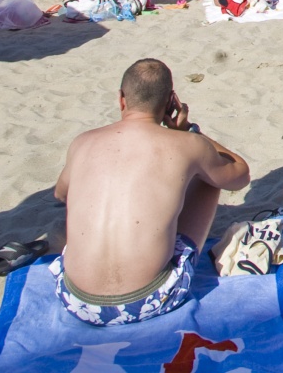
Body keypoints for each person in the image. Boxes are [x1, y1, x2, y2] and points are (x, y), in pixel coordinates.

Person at [52, 58, 251, 326]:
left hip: (75, 301)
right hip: (150, 299)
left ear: (122, 99)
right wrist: (192, 133)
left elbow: (61, 195)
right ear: (171, 101)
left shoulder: (83, 142)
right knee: (210, 177)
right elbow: (239, 175)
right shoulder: (189, 144)